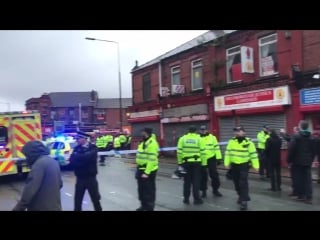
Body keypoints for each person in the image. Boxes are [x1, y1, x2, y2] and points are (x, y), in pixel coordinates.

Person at [13, 140, 62, 211]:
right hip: (55, 206)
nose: (27, 158)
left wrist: (20, 207)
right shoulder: (53, 162)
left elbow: (30, 189)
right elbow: (60, 184)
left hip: (41, 207)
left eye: (27, 155)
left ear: (32, 153)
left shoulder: (38, 164)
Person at [224, 126, 259, 211]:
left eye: (239, 131)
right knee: (236, 183)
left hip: (244, 165)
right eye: (235, 131)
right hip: (234, 165)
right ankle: (240, 195)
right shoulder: (231, 142)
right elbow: (227, 153)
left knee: (243, 182)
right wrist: (226, 163)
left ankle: (244, 201)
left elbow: (253, 155)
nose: (237, 133)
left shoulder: (249, 142)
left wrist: (256, 166)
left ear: (244, 132)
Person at [70, 131, 102, 211]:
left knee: (95, 199)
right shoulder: (76, 148)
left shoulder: (93, 148)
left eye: (79, 138)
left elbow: (89, 158)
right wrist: (83, 159)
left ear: (84, 139)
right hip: (80, 178)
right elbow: (73, 160)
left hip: (91, 178)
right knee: (78, 200)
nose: (77, 140)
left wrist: (79, 158)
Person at [287, 120, 316, 204]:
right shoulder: (311, 137)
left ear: (300, 126)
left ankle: (301, 195)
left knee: (299, 179)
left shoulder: (296, 137)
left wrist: (289, 160)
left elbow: (291, 149)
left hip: (297, 162)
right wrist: (311, 159)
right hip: (307, 161)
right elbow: (314, 151)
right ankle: (308, 196)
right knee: (307, 179)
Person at [177, 125, 205, 205]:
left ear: (188, 131)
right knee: (196, 182)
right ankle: (197, 199)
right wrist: (204, 164)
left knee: (186, 181)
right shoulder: (199, 138)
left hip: (186, 163)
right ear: (195, 131)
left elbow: (179, 152)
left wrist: (180, 162)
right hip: (196, 163)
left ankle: (186, 199)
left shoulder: (182, 138)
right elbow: (203, 152)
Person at [135, 128, 159, 211]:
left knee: (149, 190)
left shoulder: (152, 143)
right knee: (141, 190)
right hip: (140, 169)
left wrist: (146, 173)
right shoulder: (143, 142)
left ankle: (149, 207)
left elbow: (151, 160)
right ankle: (143, 205)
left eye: (143, 132)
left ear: (147, 133)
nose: (141, 134)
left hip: (148, 171)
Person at [199, 125, 223, 198]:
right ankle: (203, 191)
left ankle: (215, 190)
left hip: (211, 158)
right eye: (202, 130)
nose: (203, 131)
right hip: (202, 159)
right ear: (200, 131)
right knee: (203, 176)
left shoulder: (212, 138)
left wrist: (219, 158)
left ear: (207, 130)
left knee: (214, 176)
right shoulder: (197, 138)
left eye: (204, 130)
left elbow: (216, 148)